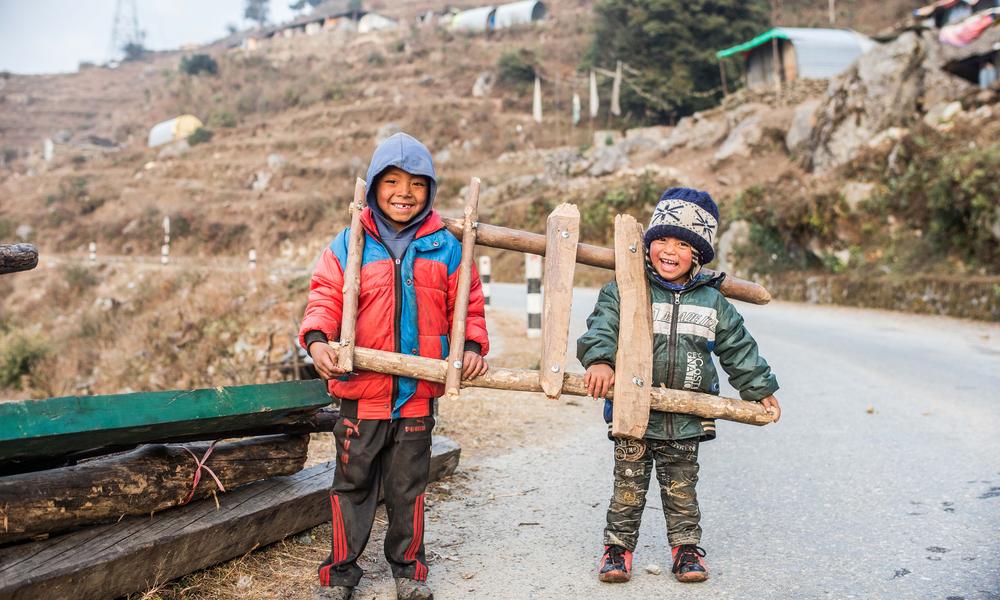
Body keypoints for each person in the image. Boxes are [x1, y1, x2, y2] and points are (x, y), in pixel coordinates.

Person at [300, 132, 490, 600]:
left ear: (431, 190)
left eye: (416, 184)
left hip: (416, 396)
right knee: (352, 485)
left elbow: (468, 303)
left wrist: (469, 344)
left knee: (408, 488)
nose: (404, 192)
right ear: (372, 188)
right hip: (360, 393)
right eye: (392, 181)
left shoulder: (446, 247)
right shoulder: (350, 242)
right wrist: (318, 339)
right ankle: (340, 573)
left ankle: (409, 571)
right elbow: (324, 294)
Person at [576, 187, 780, 585]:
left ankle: (686, 550)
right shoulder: (625, 289)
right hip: (633, 413)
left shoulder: (713, 302)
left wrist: (759, 388)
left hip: (687, 416)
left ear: (699, 255)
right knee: (628, 488)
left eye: (683, 244)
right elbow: (601, 327)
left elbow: (738, 347)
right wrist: (599, 361)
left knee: (682, 489)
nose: (670, 250)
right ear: (649, 244)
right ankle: (617, 549)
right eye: (662, 240)